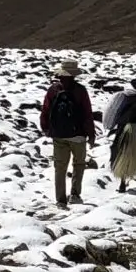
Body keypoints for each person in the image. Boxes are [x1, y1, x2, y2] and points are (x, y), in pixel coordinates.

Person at [38, 59, 95, 206]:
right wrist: (91, 134)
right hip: (78, 136)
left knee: (60, 168)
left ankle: (60, 200)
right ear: (74, 75)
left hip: (58, 135)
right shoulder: (80, 90)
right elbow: (87, 113)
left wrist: (46, 128)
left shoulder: (53, 90)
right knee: (78, 164)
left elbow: (45, 110)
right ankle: (75, 195)